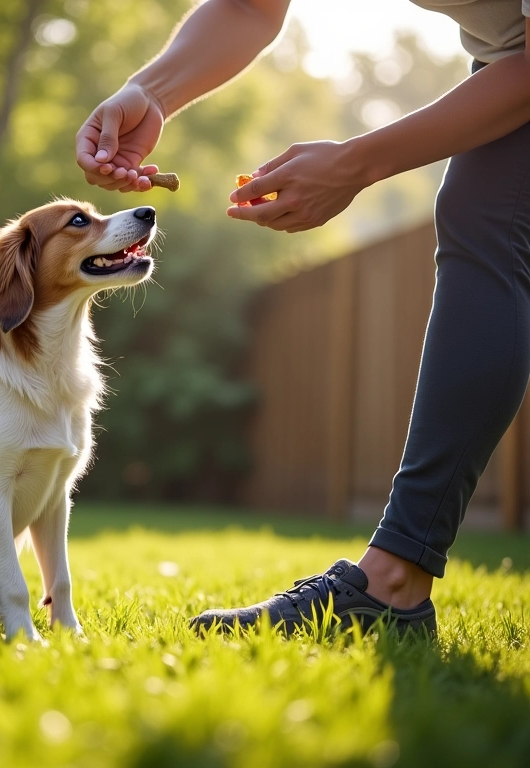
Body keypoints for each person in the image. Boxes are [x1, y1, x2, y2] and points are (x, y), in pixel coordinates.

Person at [76, 0, 530, 635]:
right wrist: (148, 91)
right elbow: (248, 6)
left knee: (485, 235)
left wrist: (354, 164)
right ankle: (394, 583)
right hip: (506, 58)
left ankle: (394, 580)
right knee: (483, 226)